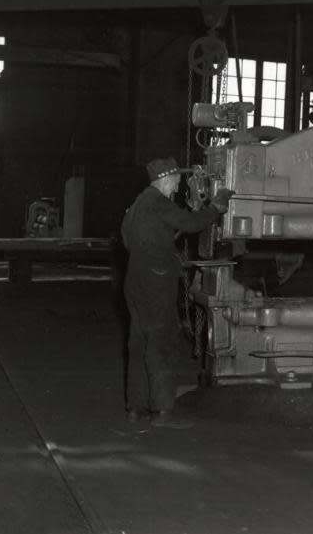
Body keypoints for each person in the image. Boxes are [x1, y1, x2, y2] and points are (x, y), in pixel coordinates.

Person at [120, 156, 233, 429]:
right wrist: (216, 207)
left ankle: (136, 408)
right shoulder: (159, 202)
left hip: (134, 282)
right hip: (155, 285)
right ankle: (163, 412)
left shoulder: (138, 204)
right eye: (176, 182)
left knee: (138, 345)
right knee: (160, 345)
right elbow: (191, 223)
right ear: (166, 179)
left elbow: (126, 238)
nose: (177, 187)